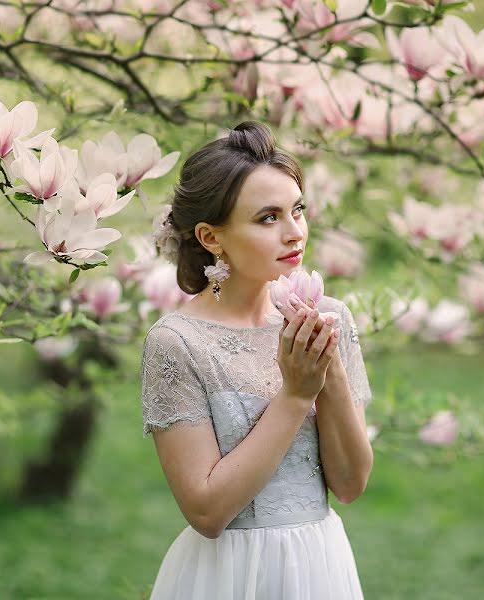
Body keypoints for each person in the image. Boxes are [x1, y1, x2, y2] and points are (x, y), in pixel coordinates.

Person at [140, 121, 373, 599]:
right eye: (268, 218)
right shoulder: (177, 343)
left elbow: (349, 486)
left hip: (318, 566)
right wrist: (294, 395)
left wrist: (328, 374)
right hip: (227, 573)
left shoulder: (328, 317)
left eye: (298, 210)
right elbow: (206, 513)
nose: (295, 233)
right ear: (211, 236)